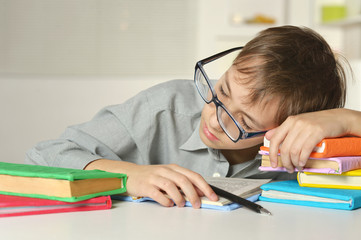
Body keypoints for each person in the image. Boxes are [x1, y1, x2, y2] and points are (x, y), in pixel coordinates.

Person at [25, 25, 361, 209]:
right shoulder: (166, 106)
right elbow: (43, 155)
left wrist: (347, 121)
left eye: (244, 123)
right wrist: (131, 176)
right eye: (224, 91)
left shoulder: (312, 147)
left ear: (288, 129)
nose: (216, 119)